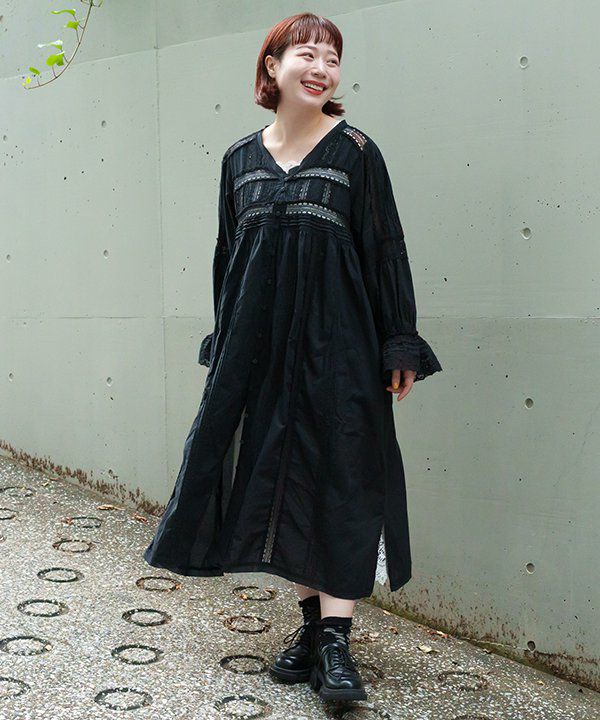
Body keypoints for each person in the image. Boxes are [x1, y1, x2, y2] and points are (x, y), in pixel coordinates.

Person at [143, 12, 442, 703]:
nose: (322, 68)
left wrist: (398, 339)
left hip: (341, 350)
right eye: (307, 54)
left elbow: (385, 250)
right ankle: (311, 629)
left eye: (332, 58)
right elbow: (228, 260)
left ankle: (336, 644)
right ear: (271, 67)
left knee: (343, 478)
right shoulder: (238, 160)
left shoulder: (356, 153)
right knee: (281, 477)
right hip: (260, 353)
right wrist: (225, 340)